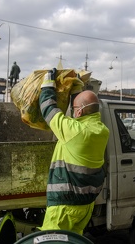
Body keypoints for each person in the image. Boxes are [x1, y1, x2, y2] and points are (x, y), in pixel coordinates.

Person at [38, 68, 109, 235]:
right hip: (85, 205)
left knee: (52, 240)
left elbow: (49, 111)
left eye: (75, 109)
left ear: (78, 112)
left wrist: (47, 84)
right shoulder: (101, 130)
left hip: (64, 206)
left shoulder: (75, 131)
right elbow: (78, 109)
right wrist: (76, 87)